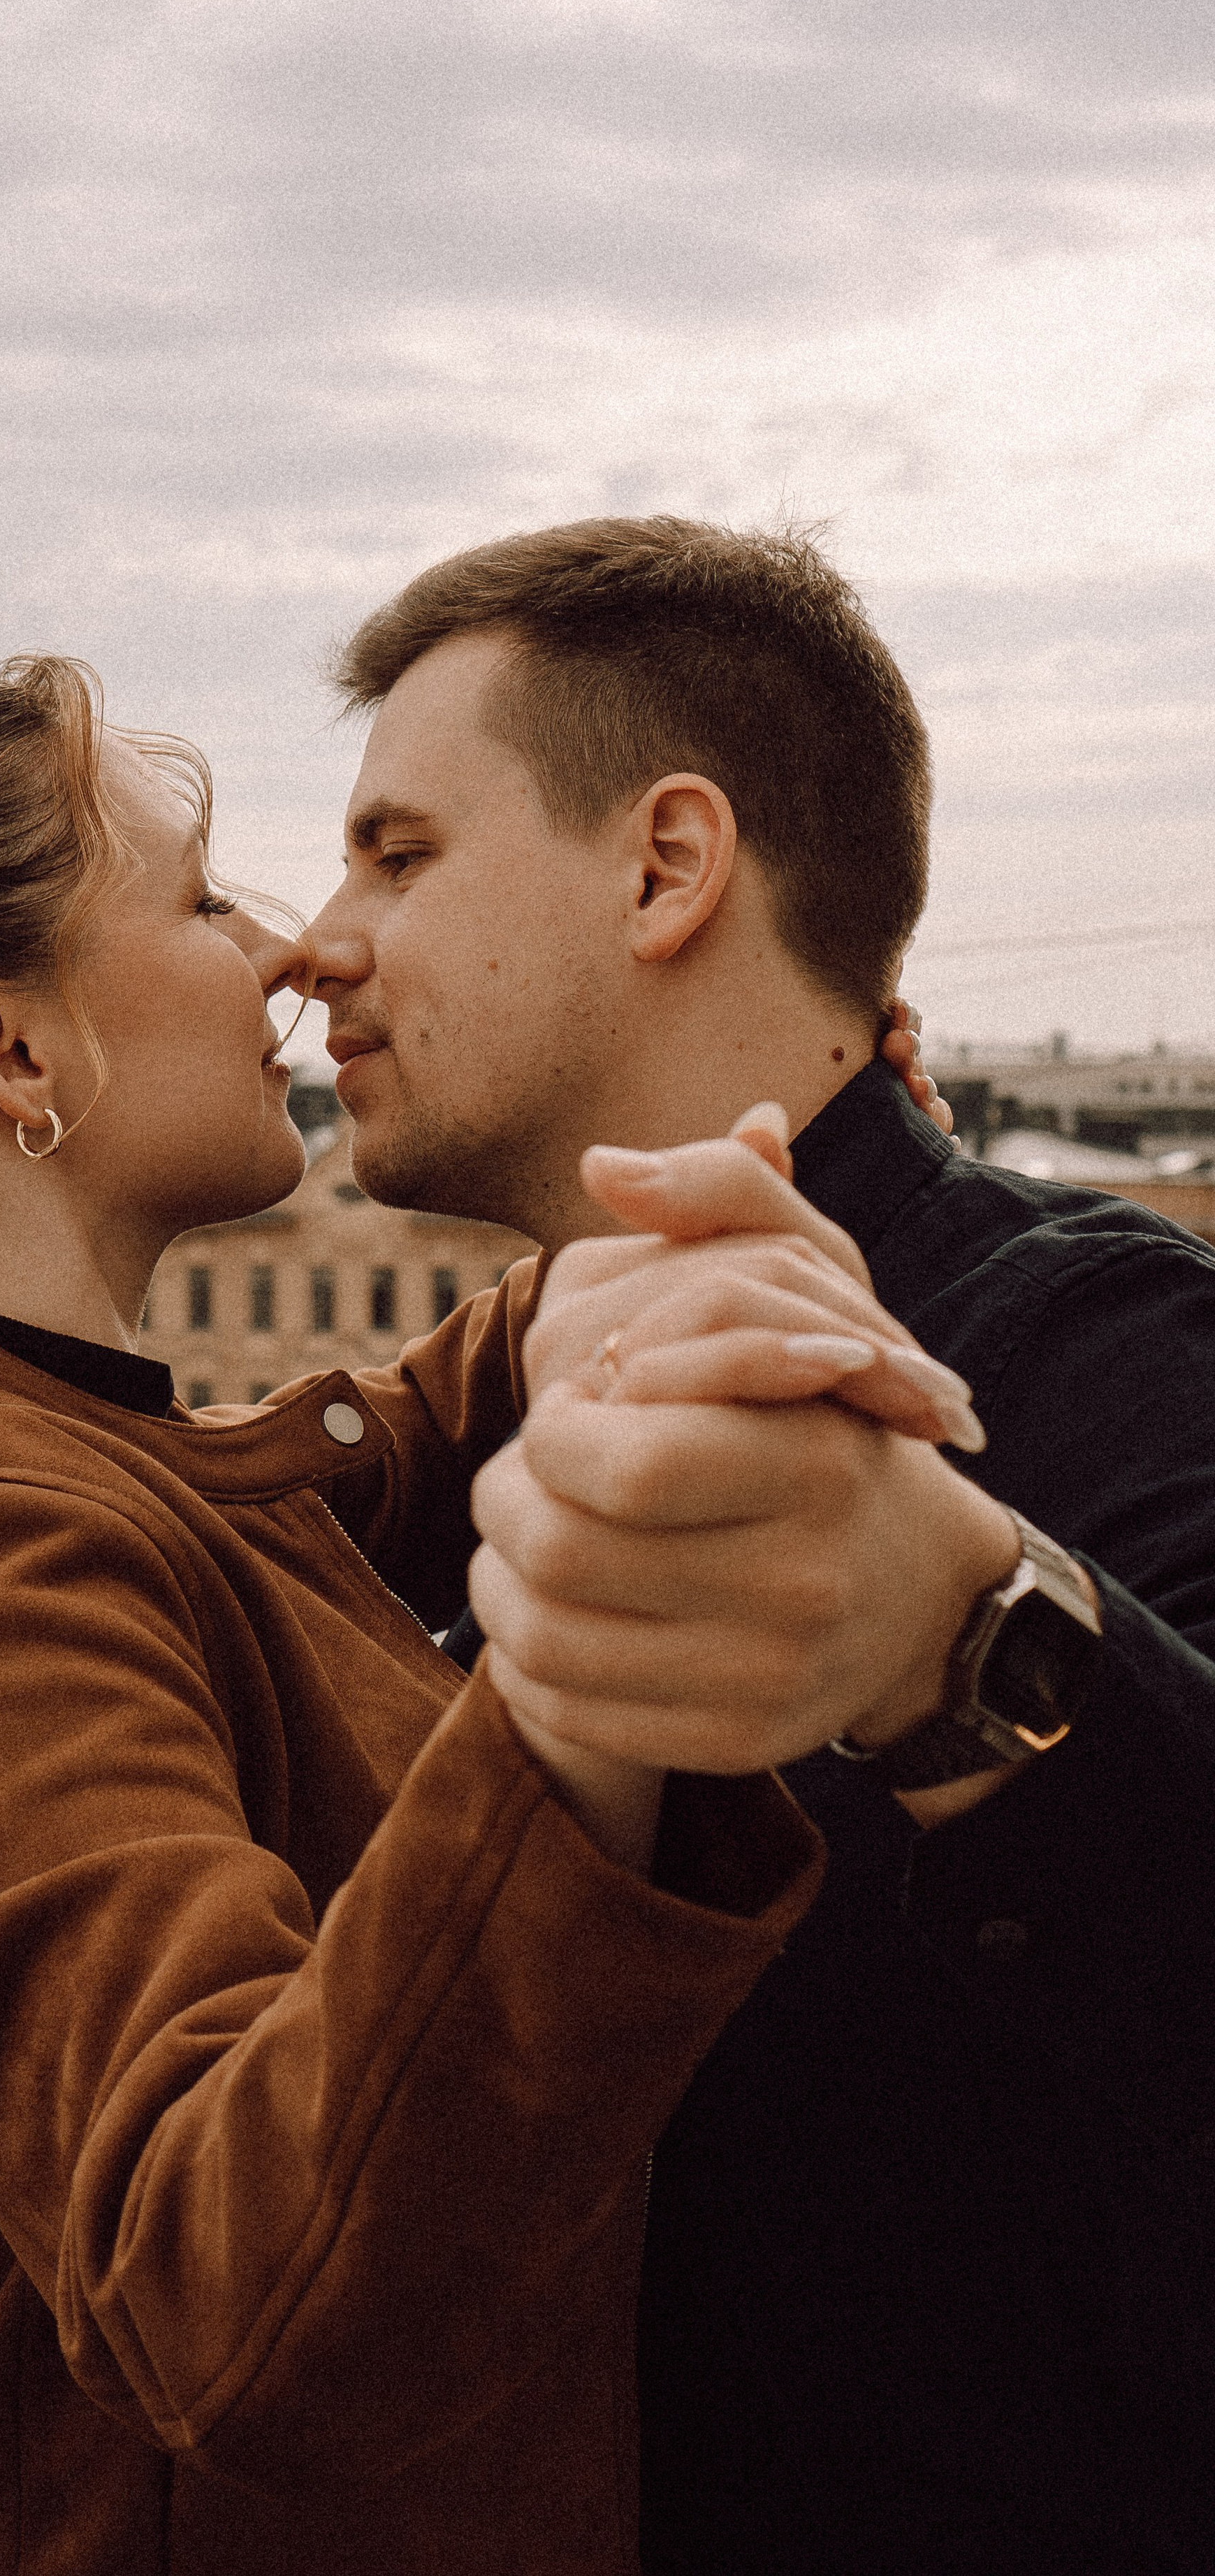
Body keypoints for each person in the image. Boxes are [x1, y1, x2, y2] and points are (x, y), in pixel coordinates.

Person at [0, 642, 968, 2576]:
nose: (289, 949)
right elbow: (241, 2294)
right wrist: (589, 1662)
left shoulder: (17, 1457)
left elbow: (292, 1498)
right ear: (11, 1055)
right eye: (198, 901)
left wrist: (626, 1272)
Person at [305, 514, 1215, 2576]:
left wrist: (960, 1631)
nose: (317, 939)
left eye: (400, 852)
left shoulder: (1080, 1342)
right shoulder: (493, 1422)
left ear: (665, 866)